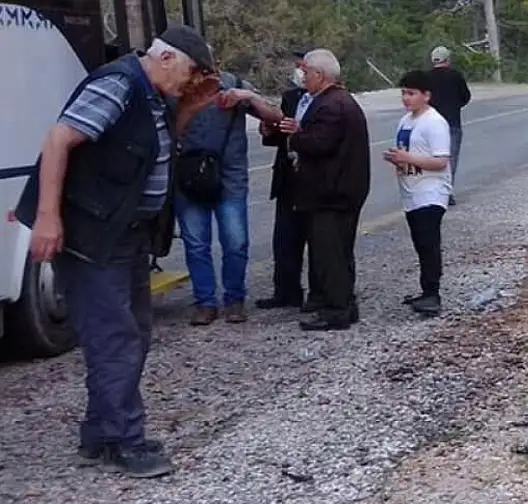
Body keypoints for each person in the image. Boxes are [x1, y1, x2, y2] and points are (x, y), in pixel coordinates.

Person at [16, 25, 217, 478]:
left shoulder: (152, 95)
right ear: (166, 59)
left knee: (133, 335)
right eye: (188, 73)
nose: (189, 82)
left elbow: (158, 148)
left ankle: (99, 433)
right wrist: (49, 217)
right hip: (93, 236)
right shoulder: (119, 85)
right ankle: (128, 441)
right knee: (117, 340)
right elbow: (58, 140)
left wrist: (191, 107)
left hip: (126, 235)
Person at [173, 50, 284, 326]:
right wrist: (191, 104)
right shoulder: (176, 89)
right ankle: (205, 302)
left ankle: (234, 298)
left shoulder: (233, 83)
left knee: (235, 242)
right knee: (196, 243)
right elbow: (169, 131)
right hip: (189, 176)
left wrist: (247, 97)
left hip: (229, 176)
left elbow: (275, 115)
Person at [279, 48, 371, 332]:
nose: (302, 78)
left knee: (330, 254)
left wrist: (296, 134)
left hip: (331, 193)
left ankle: (336, 310)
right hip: (340, 190)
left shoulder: (331, 106)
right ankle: (343, 303)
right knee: (340, 252)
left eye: (306, 73)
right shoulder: (339, 101)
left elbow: (320, 144)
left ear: (320, 75)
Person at [256, 50, 321, 312]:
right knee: (284, 239)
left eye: (304, 68)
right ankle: (285, 291)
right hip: (287, 178)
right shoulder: (291, 97)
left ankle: (320, 293)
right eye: (298, 68)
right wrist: (269, 130)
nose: (300, 74)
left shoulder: (329, 100)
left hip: (313, 179)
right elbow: (279, 135)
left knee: (317, 240)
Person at [384, 70, 452, 318]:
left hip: (431, 191)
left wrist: (408, 158)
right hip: (410, 190)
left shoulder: (434, 122)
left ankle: (433, 294)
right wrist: (397, 158)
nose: (406, 98)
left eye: (411, 93)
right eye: (403, 93)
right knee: (420, 244)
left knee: (429, 242)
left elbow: (441, 162)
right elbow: (407, 152)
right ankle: (425, 291)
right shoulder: (406, 121)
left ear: (426, 95)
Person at [426, 45, 471, 206]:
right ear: (447, 59)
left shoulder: (426, 78)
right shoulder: (456, 76)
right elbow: (466, 97)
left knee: (431, 158)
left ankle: (431, 192)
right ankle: (446, 193)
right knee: (449, 159)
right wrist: (455, 104)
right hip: (451, 123)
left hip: (430, 125)